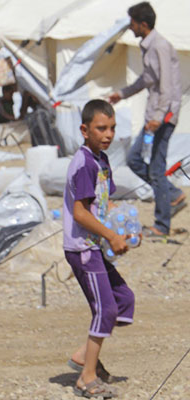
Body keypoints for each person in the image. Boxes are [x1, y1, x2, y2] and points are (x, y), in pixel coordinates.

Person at [63, 99, 135, 399]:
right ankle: (87, 378)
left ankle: (84, 355)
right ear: (85, 130)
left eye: (112, 128)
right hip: (83, 248)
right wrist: (110, 236)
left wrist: (126, 228)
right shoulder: (84, 164)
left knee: (123, 301)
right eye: (101, 128)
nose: (108, 134)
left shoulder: (102, 160)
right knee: (105, 309)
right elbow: (80, 213)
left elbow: (104, 203)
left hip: (97, 246)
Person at [108, 2, 185, 237]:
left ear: (143, 24)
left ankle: (162, 225)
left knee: (156, 168)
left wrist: (159, 117)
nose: (130, 28)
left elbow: (167, 86)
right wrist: (122, 94)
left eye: (133, 23)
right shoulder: (148, 47)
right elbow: (146, 79)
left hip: (162, 117)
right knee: (135, 159)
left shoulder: (160, 46)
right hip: (155, 115)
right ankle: (173, 195)